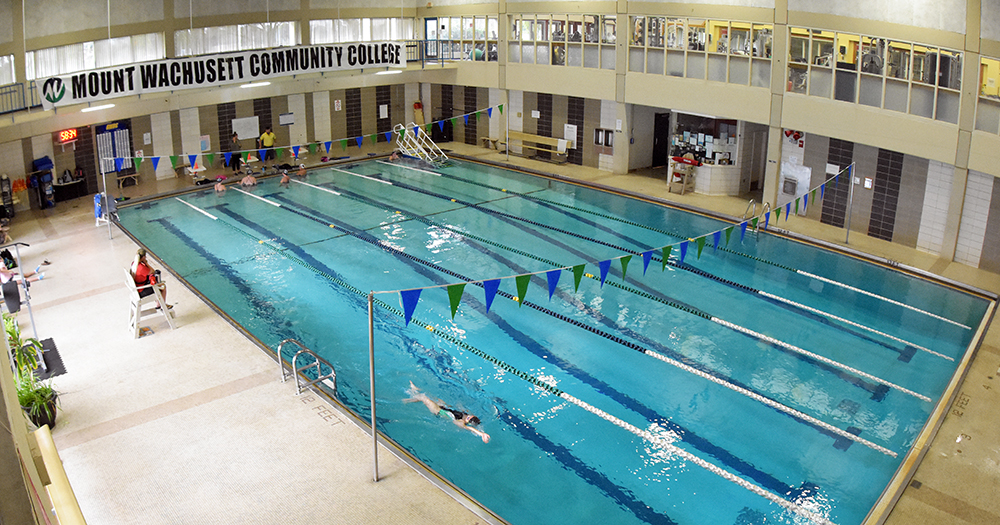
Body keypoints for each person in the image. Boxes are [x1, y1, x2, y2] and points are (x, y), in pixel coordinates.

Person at [404, 381, 490, 443]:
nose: (467, 416)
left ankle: (411, 393)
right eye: (469, 416)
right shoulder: (466, 415)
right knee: (430, 396)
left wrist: (481, 433)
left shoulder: (460, 422)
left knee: (423, 397)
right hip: (444, 407)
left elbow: (469, 428)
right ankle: (409, 398)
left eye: (468, 418)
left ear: (468, 422)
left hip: (437, 411)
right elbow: (459, 406)